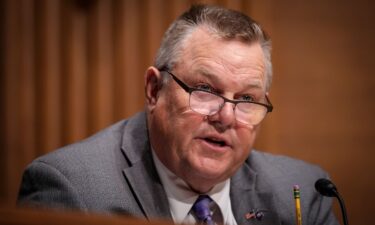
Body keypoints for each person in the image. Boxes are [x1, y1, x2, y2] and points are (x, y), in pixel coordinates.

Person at [18, 4, 339, 225]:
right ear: (154, 89)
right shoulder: (72, 190)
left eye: (246, 98)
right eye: (206, 90)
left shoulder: (303, 189)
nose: (225, 117)